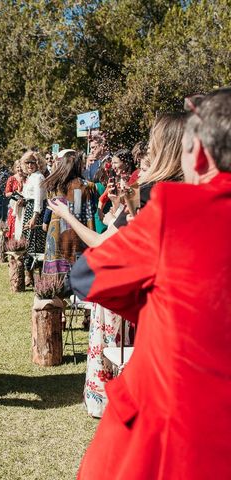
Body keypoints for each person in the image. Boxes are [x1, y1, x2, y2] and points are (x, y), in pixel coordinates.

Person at [69, 88, 231, 479]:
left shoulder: (177, 210)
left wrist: (157, 301)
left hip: (168, 441)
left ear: (201, 154)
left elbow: (86, 275)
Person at [41, 150, 96, 277]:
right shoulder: (84, 186)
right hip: (77, 231)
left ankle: (54, 290)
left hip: (55, 233)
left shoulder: (53, 185)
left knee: (56, 276)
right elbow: (83, 213)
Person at [138, 113, 187, 209]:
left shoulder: (149, 192)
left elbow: (118, 224)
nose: (149, 147)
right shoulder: (198, 187)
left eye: (152, 139)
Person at [19, 150, 46, 281]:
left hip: (37, 212)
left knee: (36, 243)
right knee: (27, 242)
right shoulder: (30, 177)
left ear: (38, 163)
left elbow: (38, 199)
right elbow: (28, 197)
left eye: (32, 163)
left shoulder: (39, 177)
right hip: (29, 209)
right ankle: (27, 274)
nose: (30, 165)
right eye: (27, 163)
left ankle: (36, 275)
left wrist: (34, 217)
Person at [4, 159, 26, 240]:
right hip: (14, 207)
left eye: (21, 167)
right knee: (13, 225)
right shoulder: (11, 179)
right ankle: (13, 244)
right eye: (17, 167)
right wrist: (17, 194)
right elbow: (7, 193)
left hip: (24, 206)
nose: (19, 169)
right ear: (15, 168)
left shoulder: (27, 178)